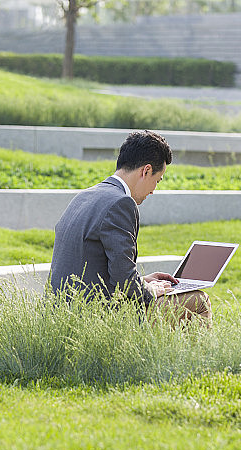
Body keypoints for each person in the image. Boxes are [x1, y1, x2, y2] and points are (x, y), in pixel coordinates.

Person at [49, 130, 212, 326]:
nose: (153, 190)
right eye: (157, 181)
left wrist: (142, 282)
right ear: (146, 170)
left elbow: (103, 272)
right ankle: (190, 357)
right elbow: (124, 280)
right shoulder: (121, 203)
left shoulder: (84, 196)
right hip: (98, 321)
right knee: (199, 301)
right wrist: (148, 291)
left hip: (62, 315)